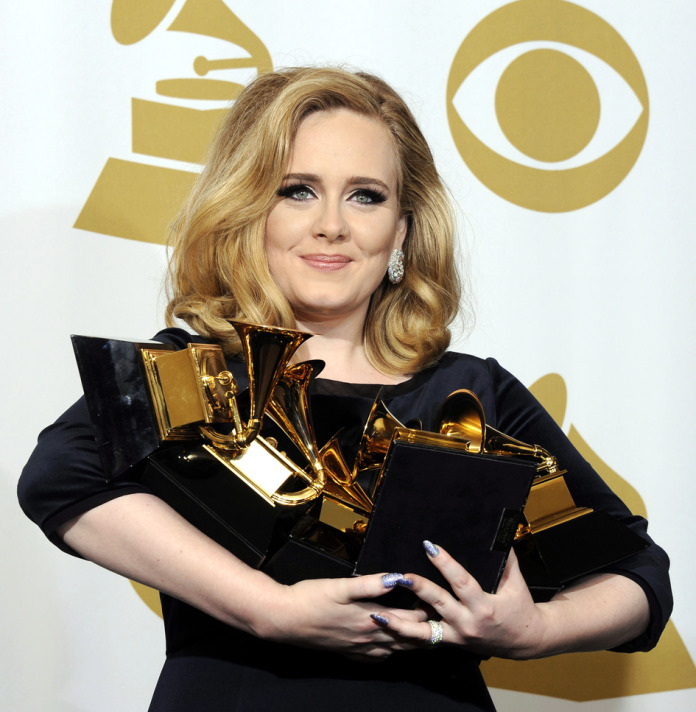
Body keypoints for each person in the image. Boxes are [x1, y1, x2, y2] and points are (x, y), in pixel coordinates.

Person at [18, 67, 671, 711]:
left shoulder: (469, 395)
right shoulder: (201, 375)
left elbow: (637, 573)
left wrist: (535, 631)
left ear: (402, 229)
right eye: (298, 190)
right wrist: (269, 608)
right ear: (248, 209)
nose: (331, 224)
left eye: (366, 196)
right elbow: (60, 476)